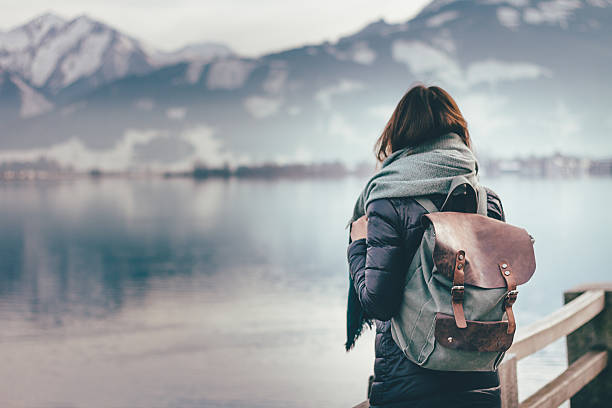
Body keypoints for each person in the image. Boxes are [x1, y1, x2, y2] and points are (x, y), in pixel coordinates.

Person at [346, 84, 505, 408]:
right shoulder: (486, 201)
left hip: (408, 384)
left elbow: (379, 302)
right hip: (479, 380)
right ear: (456, 132)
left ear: (399, 134)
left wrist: (358, 244)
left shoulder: (388, 202)